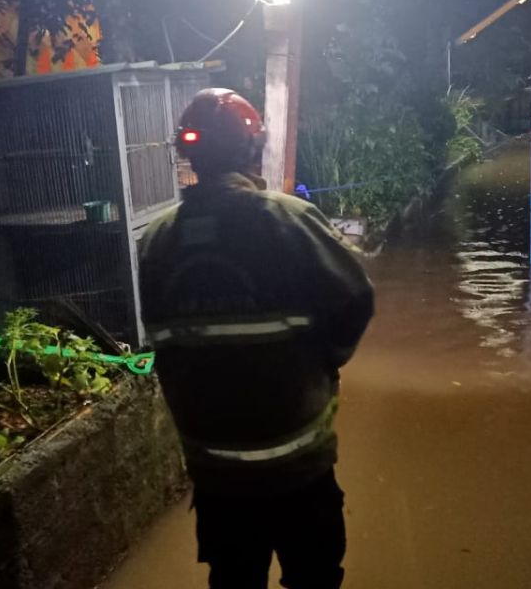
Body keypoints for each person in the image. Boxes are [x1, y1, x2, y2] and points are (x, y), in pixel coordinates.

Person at [137, 88, 374, 589]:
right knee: (314, 577)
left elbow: (163, 341)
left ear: (189, 153)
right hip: (300, 469)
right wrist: (327, 361)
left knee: (234, 578)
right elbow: (355, 299)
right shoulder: (288, 220)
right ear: (252, 149)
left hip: (216, 474)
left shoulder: (157, 240)